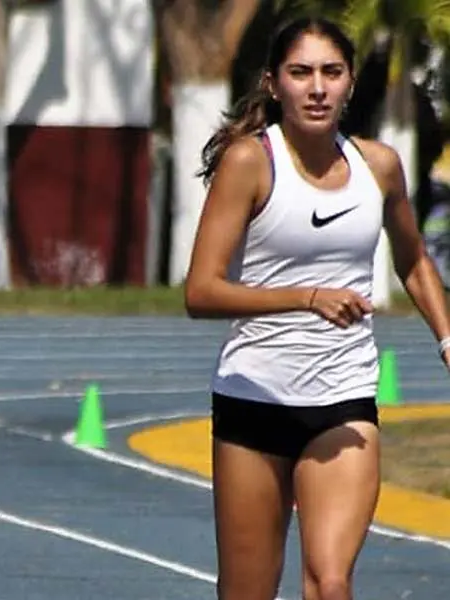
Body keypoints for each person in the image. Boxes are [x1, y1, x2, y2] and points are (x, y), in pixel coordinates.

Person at [184, 16, 450, 600]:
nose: (317, 88)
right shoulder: (250, 162)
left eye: (332, 72)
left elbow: (413, 260)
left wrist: (447, 337)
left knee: (330, 582)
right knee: (247, 591)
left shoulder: (379, 166)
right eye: (301, 73)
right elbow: (200, 292)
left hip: (343, 401)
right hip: (254, 399)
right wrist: (305, 298)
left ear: (350, 81)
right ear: (274, 83)